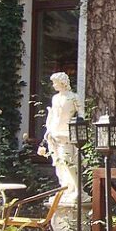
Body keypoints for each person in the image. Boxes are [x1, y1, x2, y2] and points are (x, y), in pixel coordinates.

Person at [37, 72, 82, 204]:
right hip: (54, 134)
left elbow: (81, 115)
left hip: (67, 135)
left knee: (68, 162)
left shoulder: (74, 97)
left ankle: (78, 189)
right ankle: (66, 189)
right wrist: (48, 131)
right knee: (59, 165)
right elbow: (53, 116)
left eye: (55, 82)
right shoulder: (55, 98)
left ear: (62, 82)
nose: (53, 85)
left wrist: (78, 130)